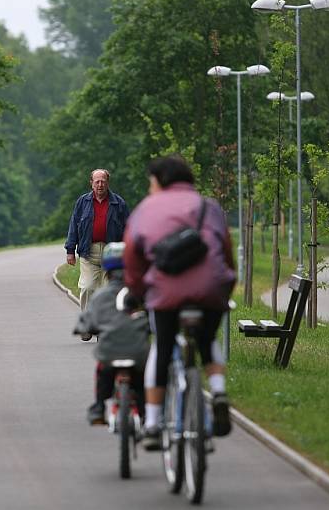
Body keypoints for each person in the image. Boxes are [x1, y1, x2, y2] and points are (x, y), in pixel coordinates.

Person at [123, 155, 237, 447]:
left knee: (162, 346)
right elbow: (226, 251)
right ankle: (218, 389)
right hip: (210, 289)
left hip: (165, 293)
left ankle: (151, 423)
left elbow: (132, 259)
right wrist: (224, 287)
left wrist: (137, 293)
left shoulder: (145, 209)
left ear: (160, 181)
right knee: (207, 338)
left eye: (151, 182)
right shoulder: (208, 206)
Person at [73, 242, 149, 424]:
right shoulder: (142, 293)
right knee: (143, 381)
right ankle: (148, 415)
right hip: (139, 354)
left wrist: (85, 329)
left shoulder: (101, 296)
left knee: (102, 369)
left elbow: (85, 322)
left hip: (110, 353)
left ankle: (99, 407)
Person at [65, 169, 130, 341]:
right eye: (97, 181)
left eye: (103, 181)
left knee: (108, 292)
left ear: (108, 183)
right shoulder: (83, 202)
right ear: (91, 183)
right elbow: (74, 225)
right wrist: (70, 250)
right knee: (87, 287)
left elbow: (128, 229)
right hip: (89, 251)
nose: (100, 185)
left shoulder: (119, 203)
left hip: (112, 253)